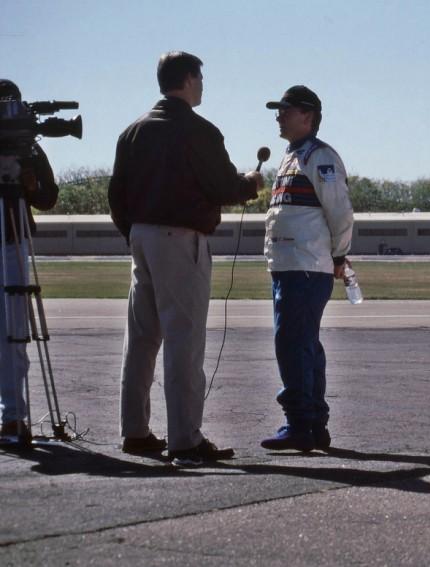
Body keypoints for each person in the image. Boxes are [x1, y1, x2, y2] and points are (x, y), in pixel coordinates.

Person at [107, 52, 263, 466]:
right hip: (180, 239)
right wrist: (250, 183)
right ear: (190, 80)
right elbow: (222, 186)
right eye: (201, 78)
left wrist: (135, 233)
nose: (203, 86)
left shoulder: (132, 132)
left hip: (140, 236)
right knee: (184, 339)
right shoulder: (198, 130)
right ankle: (184, 439)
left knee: (141, 338)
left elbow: (116, 196)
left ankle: (135, 431)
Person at [260, 85, 353, 452]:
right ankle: (313, 424)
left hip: (306, 266)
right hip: (288, 266)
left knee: (292, 344)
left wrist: (339, 254)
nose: (278, 116)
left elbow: (340, 212)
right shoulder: (290, 158)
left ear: (308, 116)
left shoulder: (319, 157)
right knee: (303, 344)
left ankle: (299, 423)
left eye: (285, 110)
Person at [0, 79, 59, 444]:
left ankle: (13, 416)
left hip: (13, 237)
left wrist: (30, 184)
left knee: (15, 332)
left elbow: (48, 197)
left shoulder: (29, 148)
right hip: (12, 237)